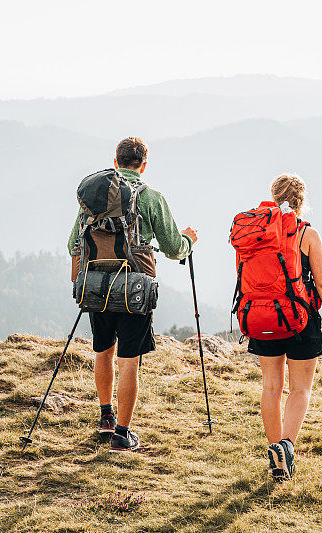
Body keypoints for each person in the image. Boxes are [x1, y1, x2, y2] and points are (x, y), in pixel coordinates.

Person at [68, 137, 197, 452]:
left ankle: (105, 418)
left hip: (96, 286)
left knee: (103, 351)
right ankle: (123, 436)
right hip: (134, 291)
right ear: (143, 164)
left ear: (116, 161)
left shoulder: (93, 198)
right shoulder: (151, 198)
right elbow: (172, 248)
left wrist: (80, 280)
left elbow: (74, 242)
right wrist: (189, 240)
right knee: (129, 360)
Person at [249, 173, 322, 479]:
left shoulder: (256, 231)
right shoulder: (307, 234)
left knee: (271, 387)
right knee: (300, 388)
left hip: (262, 316)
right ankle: (286, 446)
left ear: (273, 198)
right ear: (300, 202)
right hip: (301, 319)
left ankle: (275, 451)